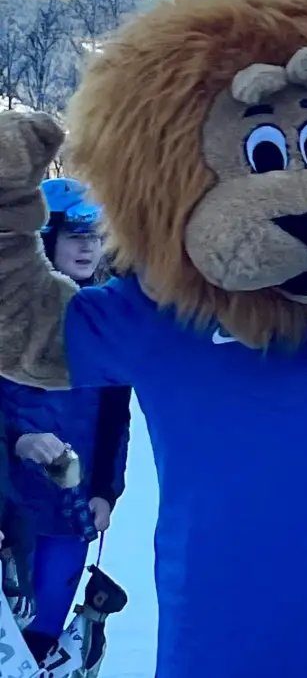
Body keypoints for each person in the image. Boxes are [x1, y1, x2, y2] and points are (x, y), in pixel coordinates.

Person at [0, 0, 307, 678]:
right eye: (259, 157)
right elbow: (28, 329)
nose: (303, 201)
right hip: (218, 653)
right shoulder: (167, 312)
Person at [0, 179, 131, 665]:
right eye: (75, 234)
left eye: (95, 234)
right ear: (44, 237)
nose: (88, 245)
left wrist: (105, 489)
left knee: (41, 642)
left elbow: (116, 417)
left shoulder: (105, 319)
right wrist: (19, 441)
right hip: (8, 508)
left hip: (69, 509)